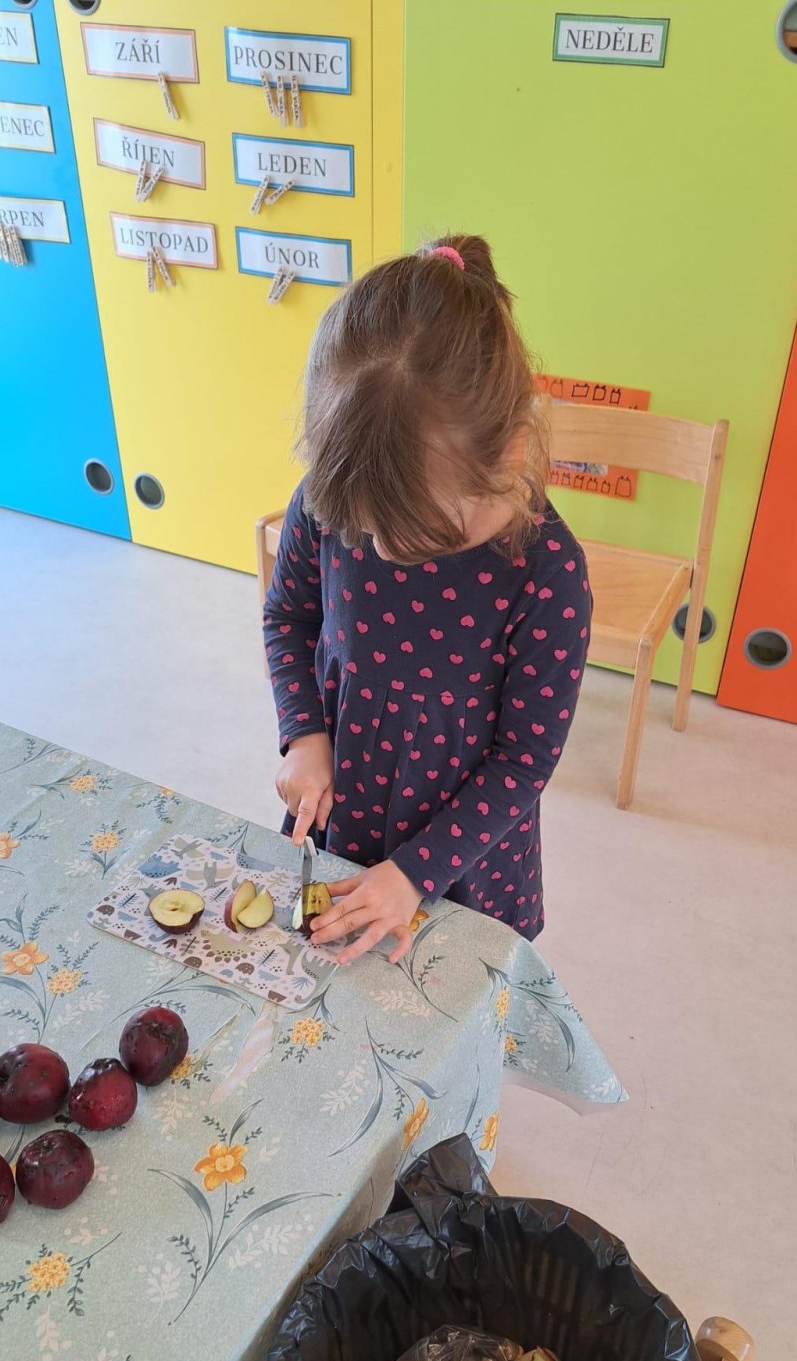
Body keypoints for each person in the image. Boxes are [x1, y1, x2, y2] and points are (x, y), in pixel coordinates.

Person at [262, 235, 591, 965]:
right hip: (346, 820)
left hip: (462, 862)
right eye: (365, 526)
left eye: (411, 530)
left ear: (507, 454)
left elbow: (524, 761)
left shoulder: (548, 576)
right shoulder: (335, 497)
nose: (378, 548)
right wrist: (304, 734)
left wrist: (414, 873)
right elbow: (290, 616)